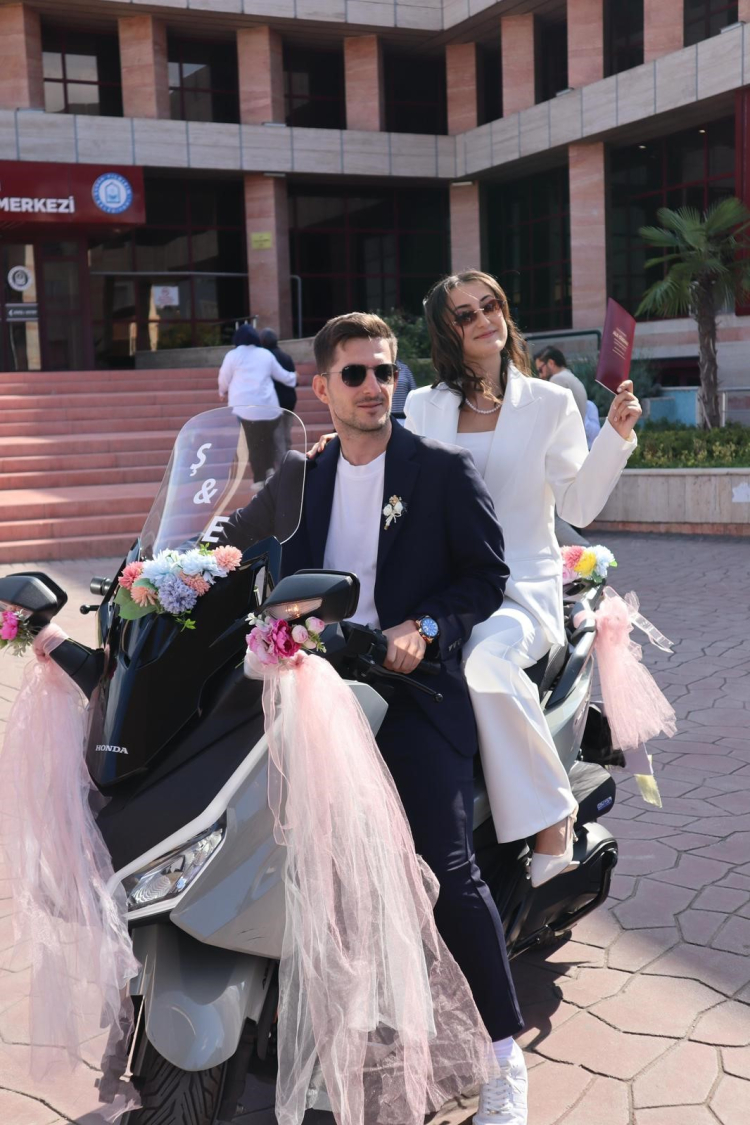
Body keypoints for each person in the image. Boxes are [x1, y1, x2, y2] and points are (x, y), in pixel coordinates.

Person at [223, 312, 529, 1125]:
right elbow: (233, 544)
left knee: (443, 863)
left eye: (385, 371)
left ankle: (504, 1057)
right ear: (321, 387)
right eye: (355, 374)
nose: (373, 387)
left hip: (414, 688)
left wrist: (423, 627)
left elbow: (486, 576)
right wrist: (169, 576)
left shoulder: (441, 471)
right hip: (318, 687)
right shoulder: (302, 474)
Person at [406, 271, 641, 886]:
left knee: (485, 662)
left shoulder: (549, 402)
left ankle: (552, 817)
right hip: (447, 592)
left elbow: (579, 505)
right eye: (465, 314)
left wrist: (615, 436)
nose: (484, 319)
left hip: (521, 590)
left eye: (491, 305)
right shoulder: (423, 406)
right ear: (446, 332)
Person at [218, 324, 297, 482]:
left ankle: (259, 478)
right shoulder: (265, 354)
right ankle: (269, 469)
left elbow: (224, 377)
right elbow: (281, 375)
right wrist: (294, 377)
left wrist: (222, 392)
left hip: (244, 408)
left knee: (253, 443)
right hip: (269, 407)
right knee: (267, 440)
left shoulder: (233, 355)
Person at [260, 327, 298, 457]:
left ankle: (282, 465)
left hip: (274, 403)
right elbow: (293, 379)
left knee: (278, 438)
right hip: (289, 401)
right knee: (286, 436)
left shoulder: (265, 358)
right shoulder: (286, 357)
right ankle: (288, 461)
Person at [534, 346, 588, 422]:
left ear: (551, 363)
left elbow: (551, 414)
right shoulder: (569, 377)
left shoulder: (558, 379)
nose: (540, 376)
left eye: (540, 370)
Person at [390, 358, 417, 423]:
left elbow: (414, 392)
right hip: (386, 418)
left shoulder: (405, 369)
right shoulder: (379, 369)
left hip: (404, 418)